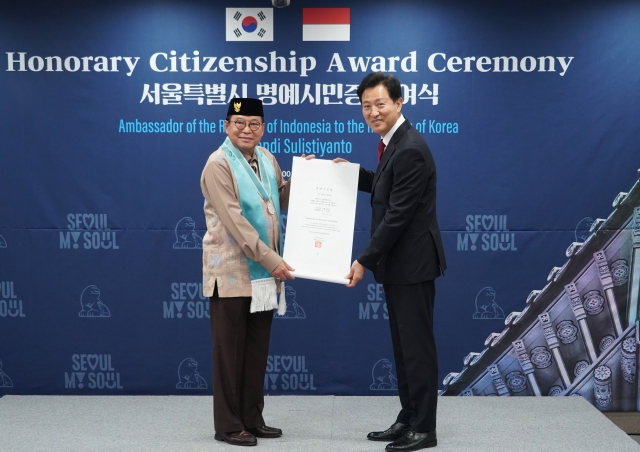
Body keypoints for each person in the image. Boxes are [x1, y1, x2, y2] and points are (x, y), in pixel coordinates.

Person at [343, 72, 447, 451]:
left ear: (399, 102)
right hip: (399, 266)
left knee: (416, 347)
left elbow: (398, 215)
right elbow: (386, 184)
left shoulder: (411, 148)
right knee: (403, 348)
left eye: (380, 104)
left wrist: (364, 260)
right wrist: (345, 173)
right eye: (366, 106)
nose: (373, 112)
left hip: (413, 265)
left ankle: (425, 428)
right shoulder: (394, 143)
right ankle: (408, 417)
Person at [200, 98, 302, 446]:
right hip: (231, 272)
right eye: (240, 123)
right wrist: (272, 259)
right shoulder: (218, 164)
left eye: (255, 124)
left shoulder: (267, 158)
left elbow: (278, 199)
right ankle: (228, 425)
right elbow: (236, 222)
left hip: (262, 275)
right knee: (229, 352)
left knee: (256, 350)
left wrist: (311, 178)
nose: (247, 130)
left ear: (263, 127)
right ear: (226, 126)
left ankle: (252, 418)